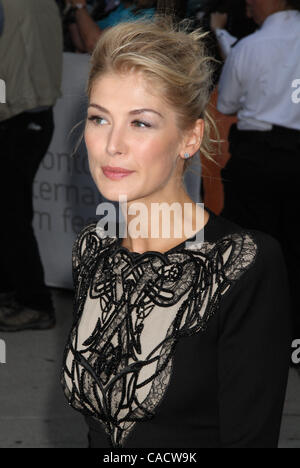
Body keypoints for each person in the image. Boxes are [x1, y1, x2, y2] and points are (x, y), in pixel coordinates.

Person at [60, 17, 292, 448]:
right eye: (99, 119)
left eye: (141, 123)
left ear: (190, 137)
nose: (113, 144)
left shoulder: (242, 264)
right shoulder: (92, 248)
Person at [217, 0, 300, 347]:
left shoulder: (251, 47)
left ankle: (249, 335)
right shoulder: (251, 44)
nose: (248, 2)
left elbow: (225, 104)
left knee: (248, 250)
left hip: (256, 160)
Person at [0, 0, 63, 332]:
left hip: (16, 115)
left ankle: (34, 303)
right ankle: (14, 291)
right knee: (11, 212)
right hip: (35, 112)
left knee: (12, 215)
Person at [66, 0, 156, 53]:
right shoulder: (121, 8)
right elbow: (82, 44)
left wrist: (79, 7)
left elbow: (95, 44)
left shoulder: (146, 15)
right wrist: (72, 8)